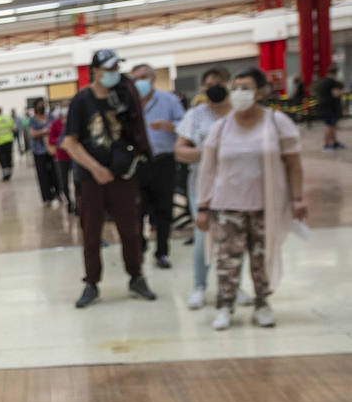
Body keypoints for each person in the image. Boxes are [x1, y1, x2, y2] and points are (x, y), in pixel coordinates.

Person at [194, 67, 309, 330]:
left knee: (262, 259)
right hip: (227, 206)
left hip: (265, 205)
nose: (239, 94)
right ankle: (224, 306)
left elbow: (294, 164)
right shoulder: (221, 128)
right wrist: (203, 206)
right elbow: (208, 170)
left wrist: (298, 198)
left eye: (245, 88)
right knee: (227, 260)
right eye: (235, 88)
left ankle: (262, 305)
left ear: (260, 92)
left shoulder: (277, 123)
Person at [61, 49, 158, 308]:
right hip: (91, 179)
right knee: (91, 232)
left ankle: (136, 276)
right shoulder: (82, 101)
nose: (113, 74)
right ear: (94, 71)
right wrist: (94, 168)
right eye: (108, 69)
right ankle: (91, 282)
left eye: (116, 69)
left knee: (131, 230)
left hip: (123, 175)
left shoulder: (123, 96)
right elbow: (69, 143)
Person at [175, 66, 250, 310]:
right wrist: (206, 153)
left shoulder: (242, 114)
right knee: (202, 236)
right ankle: (199, 286)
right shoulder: (196, 115)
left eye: (219, 83)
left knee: (234, 237)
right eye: (209, 84)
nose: (214, 88)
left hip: (237, 184)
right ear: (202, 89)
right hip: (203, 184)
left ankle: (234, 285)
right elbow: (180, 151)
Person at [130, 63, 186, 269]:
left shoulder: (169, 100)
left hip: (164, 161)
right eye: (136, 79)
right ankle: (141, 244)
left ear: (153, 78)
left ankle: (162, 252)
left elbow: (185, 125)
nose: (140, 82)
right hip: (138, 164)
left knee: (164, 210)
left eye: (144, 77)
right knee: (137, 209)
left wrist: (170, 126)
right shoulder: (130, 103)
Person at [27, 101, 57, 204]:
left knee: (55, 173)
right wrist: (45, 131)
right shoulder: (32, 120)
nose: (42, 107)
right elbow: (32, 134)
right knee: (42, 175)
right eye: (39, 105)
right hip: (38, 150)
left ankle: (57, 193)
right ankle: (46, 197)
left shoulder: (50, 117)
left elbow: (56, 129)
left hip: (52, 150)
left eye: (43, 105)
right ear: (35, 107)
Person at [47, 103, 75, 214]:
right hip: (61, 157)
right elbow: (51, 140)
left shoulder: (73, 122)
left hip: (74, 156)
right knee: (63, 181)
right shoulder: (55, 124)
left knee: (77, 181)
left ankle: (79, 203)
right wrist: (60, 141)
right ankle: (69, 201)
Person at [315, 69, 345, 150]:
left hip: (322, 106)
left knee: (332, 126)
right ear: (335, 74)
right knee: (330, 126)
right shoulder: (332, 82)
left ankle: (335, 143)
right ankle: (326, 144)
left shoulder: (322, 82)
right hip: (330, 107)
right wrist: (342, 92)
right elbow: (335, 94)